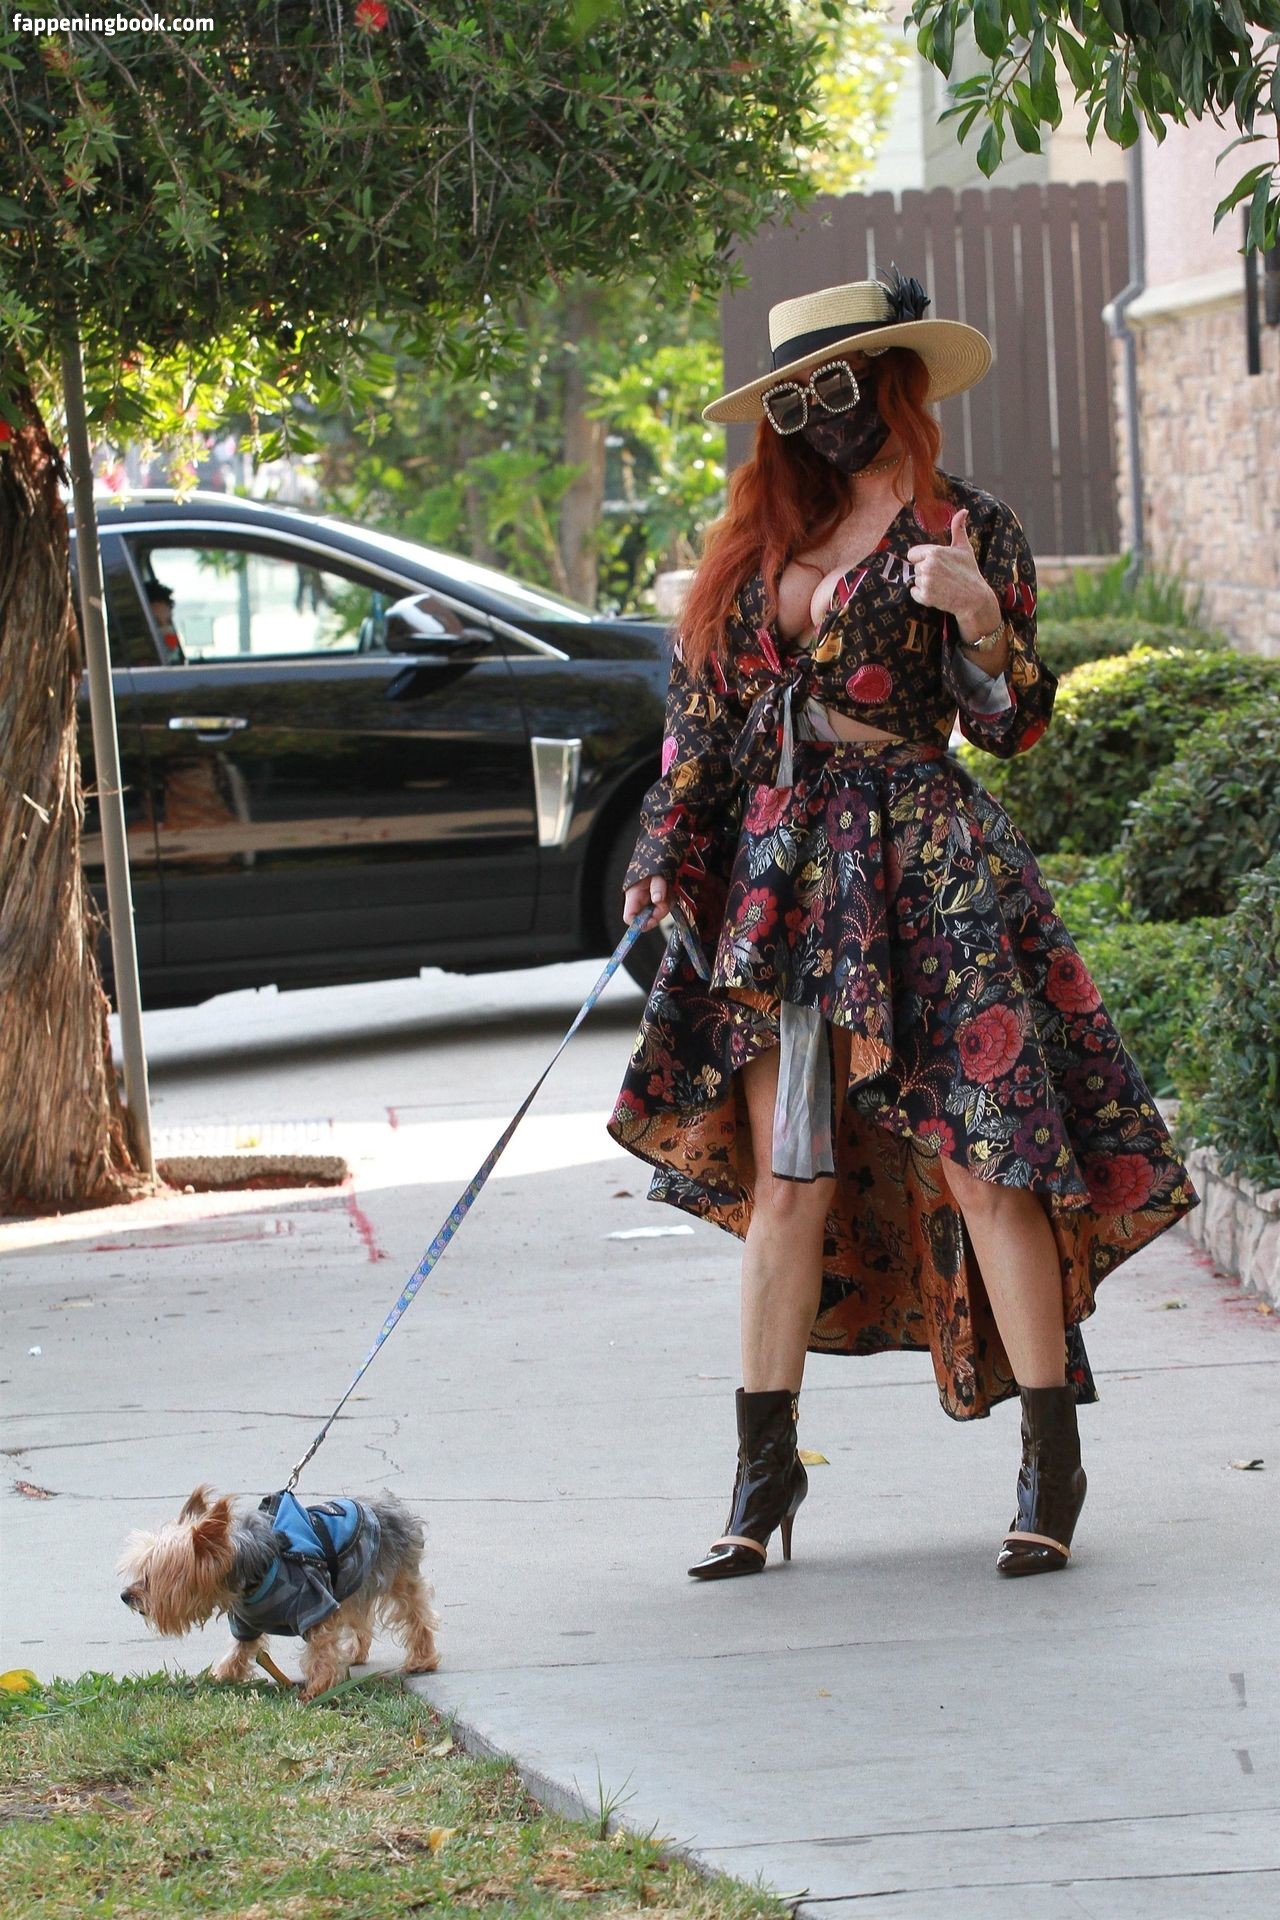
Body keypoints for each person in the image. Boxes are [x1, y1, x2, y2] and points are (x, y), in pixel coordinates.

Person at [606, 269, 1200, 1583]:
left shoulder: (967, 526)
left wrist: (979, 618)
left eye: (842, 387)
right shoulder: (756, 544)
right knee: (790, 1179)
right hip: (784, 885)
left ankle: (1051, 1458)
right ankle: (763, 1476)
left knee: (987, 1159)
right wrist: (666, 855)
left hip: (927, 868)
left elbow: (1014, 723)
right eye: (794, 400)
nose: (820, 419)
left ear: (896, 384)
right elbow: (699, 726)